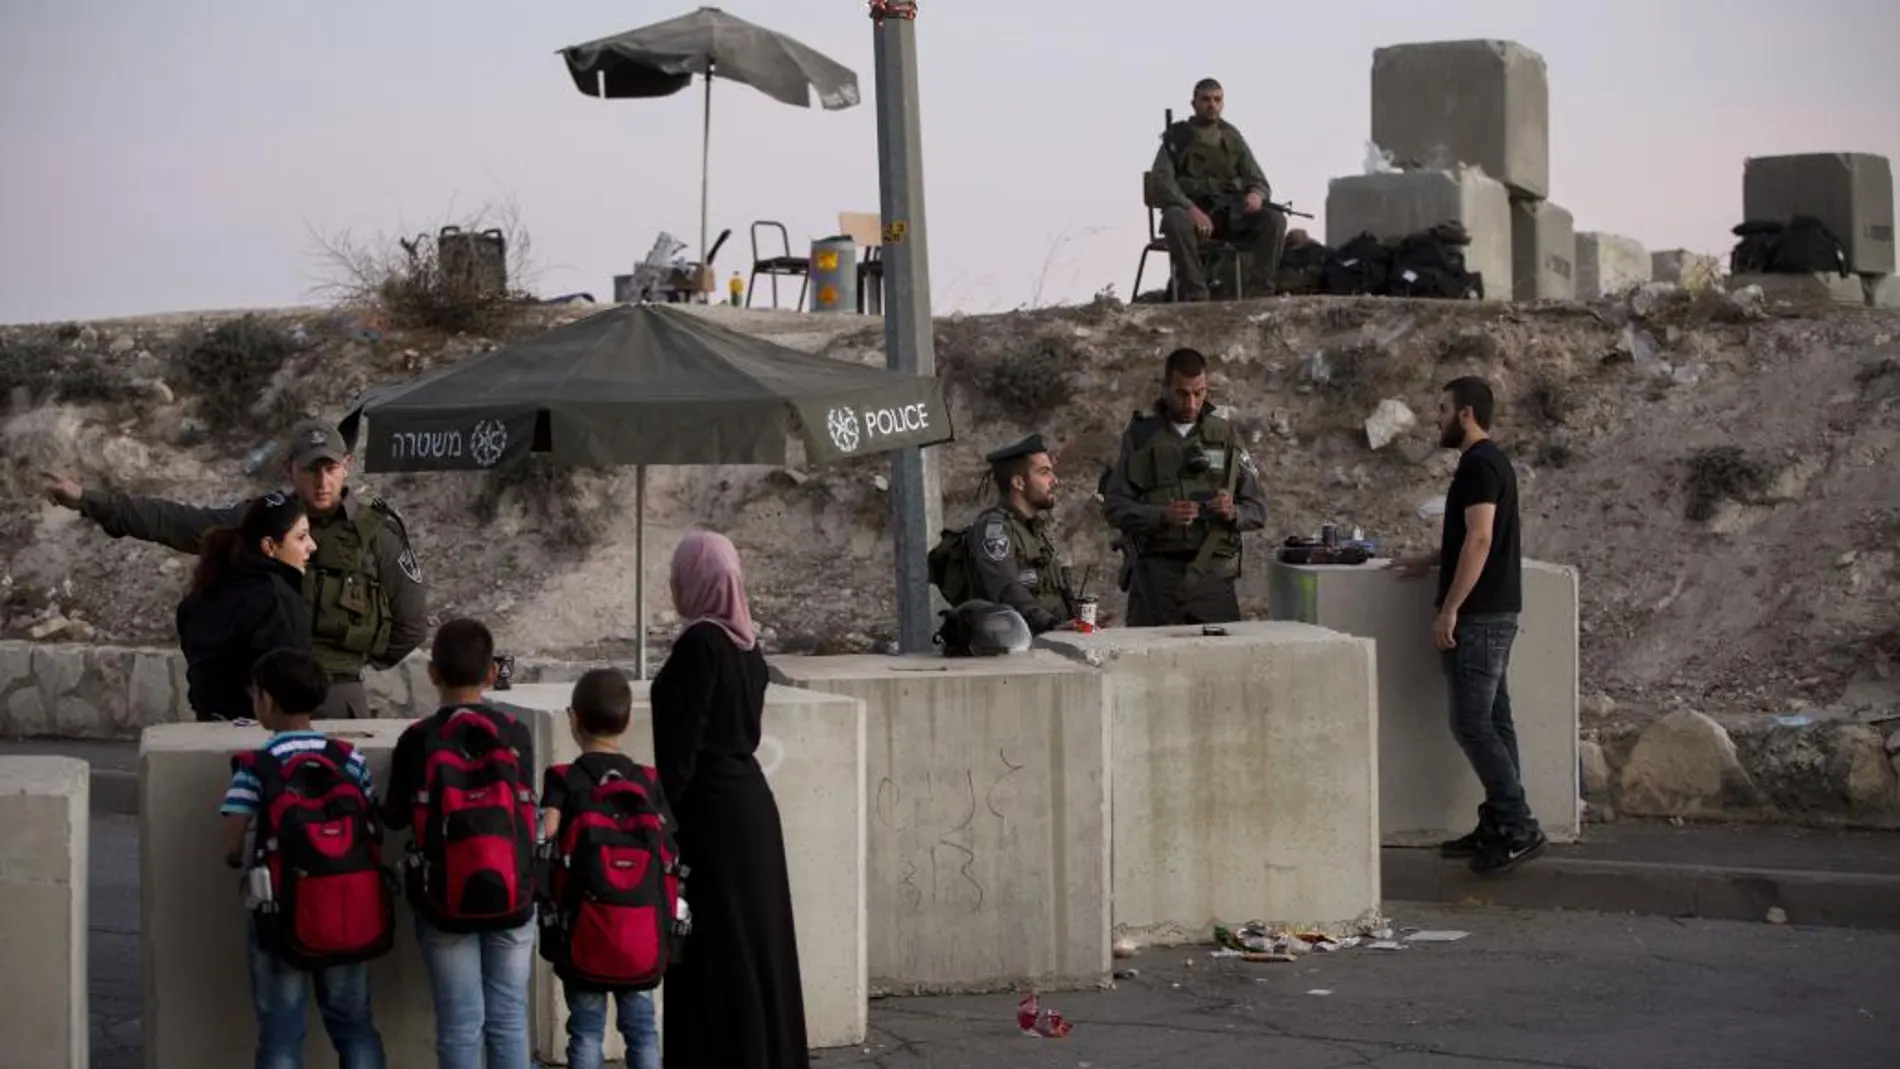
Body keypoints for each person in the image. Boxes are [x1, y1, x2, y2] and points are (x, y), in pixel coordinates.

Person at [40, 417, 428, 719]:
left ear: (347, 466)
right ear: (290, 469)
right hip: (266, 700)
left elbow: (411, 625)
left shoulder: (378, 534)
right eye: (311, 469)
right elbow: (175, 521)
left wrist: (348, 662)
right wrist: (88, 500)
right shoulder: (261, 519)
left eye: (330, 468)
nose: (322, 481)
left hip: (337, 696)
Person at [651, 530, 809, 1069]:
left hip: (710, 819)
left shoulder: (701, 644)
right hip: (751, 809)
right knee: (757, 947)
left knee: (718, 951)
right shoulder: (747, 647)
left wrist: (655, 817)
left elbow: (682, 748)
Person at [1388, 376, 1547, 876]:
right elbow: (1474, 539)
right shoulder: (1487, 464)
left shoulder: (1479, 466)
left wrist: (1450, 607)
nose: (1436, 418)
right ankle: (1501, 820)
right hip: (1494, 611)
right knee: (1496, 721)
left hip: (1479, 615)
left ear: (1466, 413)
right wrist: (1430, 558)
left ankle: (1518, 823)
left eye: (1442, 409)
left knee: (1472, 723)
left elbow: (1480, 541)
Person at [219, 647, 388, 1069]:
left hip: (282, 915)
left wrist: (235, 858)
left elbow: (232, 840)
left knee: (280, 1035)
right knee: (354, 1025)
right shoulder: (348, 757)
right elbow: (371, 821)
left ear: (267, 701)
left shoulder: (258, 765)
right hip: (349, 909)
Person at [381, 618, 538, 1069]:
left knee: (459, 1022)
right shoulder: (515, 732)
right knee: (509, 1018)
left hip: (443, 896)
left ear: (432, 674)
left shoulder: (417, 740)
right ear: (491, 673)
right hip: (513, 891)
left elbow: (394, 817)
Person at [538, 668, 664, 1069]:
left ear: (573, 719)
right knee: (642, 1029)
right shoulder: (647, 781)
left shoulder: (563, 778)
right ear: (628, 722)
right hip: (641, 929)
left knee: (587, 1028)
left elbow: (546, 833)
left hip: (584, 927)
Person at [1102, 347, 1268, 625]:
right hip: (1155, 579)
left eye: (1199, 393)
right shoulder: (1140, 438)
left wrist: (1233, 511)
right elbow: (1115, 508)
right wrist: (1161, 515)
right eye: (1182, 393)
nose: (1191, 403)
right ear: (1165, 388)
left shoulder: (1226, 436)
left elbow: (1258, 509)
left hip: (1212, 579)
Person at [175, 491, 317, 722]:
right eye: (301, 537)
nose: (312, 546)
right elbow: (293, 687)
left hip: (209, 728)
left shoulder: (206, 592)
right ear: (269, 546)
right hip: (262, 733)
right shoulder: (275, 598)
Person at [1149, 77, 1289, 301]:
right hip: (1193, 217)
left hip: (1230, 215)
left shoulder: (1231, 137)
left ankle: (1261, 293)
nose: (1212, 105)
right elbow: (1162, 183)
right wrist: (1192, 210)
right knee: (1174, 218)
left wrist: (1256, 195)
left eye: (1217, 99)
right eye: (1205, 99)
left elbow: (1258, 179)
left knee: (1274, 220)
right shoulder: (1178, 137)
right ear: (1194, 103)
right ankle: (1197, 294)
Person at [959, 434, 1077, 634]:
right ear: (1019, 483)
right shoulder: (993, 529)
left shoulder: (1036, 531)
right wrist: (1050, 625)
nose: (1054, 481)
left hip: (1048, 640)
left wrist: (1079, 619)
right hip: (1016, 647)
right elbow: (1006, 589)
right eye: (1044, 472)